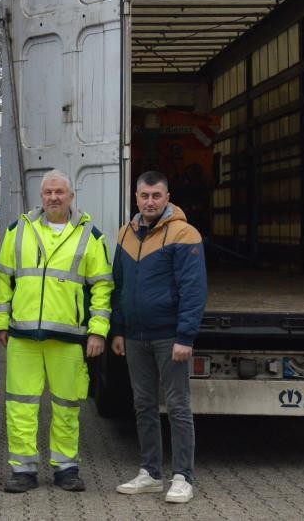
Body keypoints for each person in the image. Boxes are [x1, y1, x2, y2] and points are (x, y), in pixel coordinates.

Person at [0, 168, 113, 494]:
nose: (53, 198)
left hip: (69, 338)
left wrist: (98, 332)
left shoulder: (91, 236)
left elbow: (102, 288)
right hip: (23, 336)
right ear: (41, 196)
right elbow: (3, 279)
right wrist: (0, 323)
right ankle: (23, 470)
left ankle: (66, 469)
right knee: (20, 406)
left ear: (71, 197)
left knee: (67, 406)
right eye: (48, 192)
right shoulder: (19, 230)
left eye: (60, 192)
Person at [111, 170, 208, 505]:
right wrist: (119, 329)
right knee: (143, 405)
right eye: (144, 196)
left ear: (167, 197)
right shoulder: (126, 233)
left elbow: (193, 291)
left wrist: (185, 335)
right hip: (135, 337)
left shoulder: (185, 234)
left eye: (156, 196)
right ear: (135, 197)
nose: (150, 201)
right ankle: (151, 473)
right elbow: (118, 286)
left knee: (178, 405)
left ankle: (183, 476)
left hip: (170, 337)